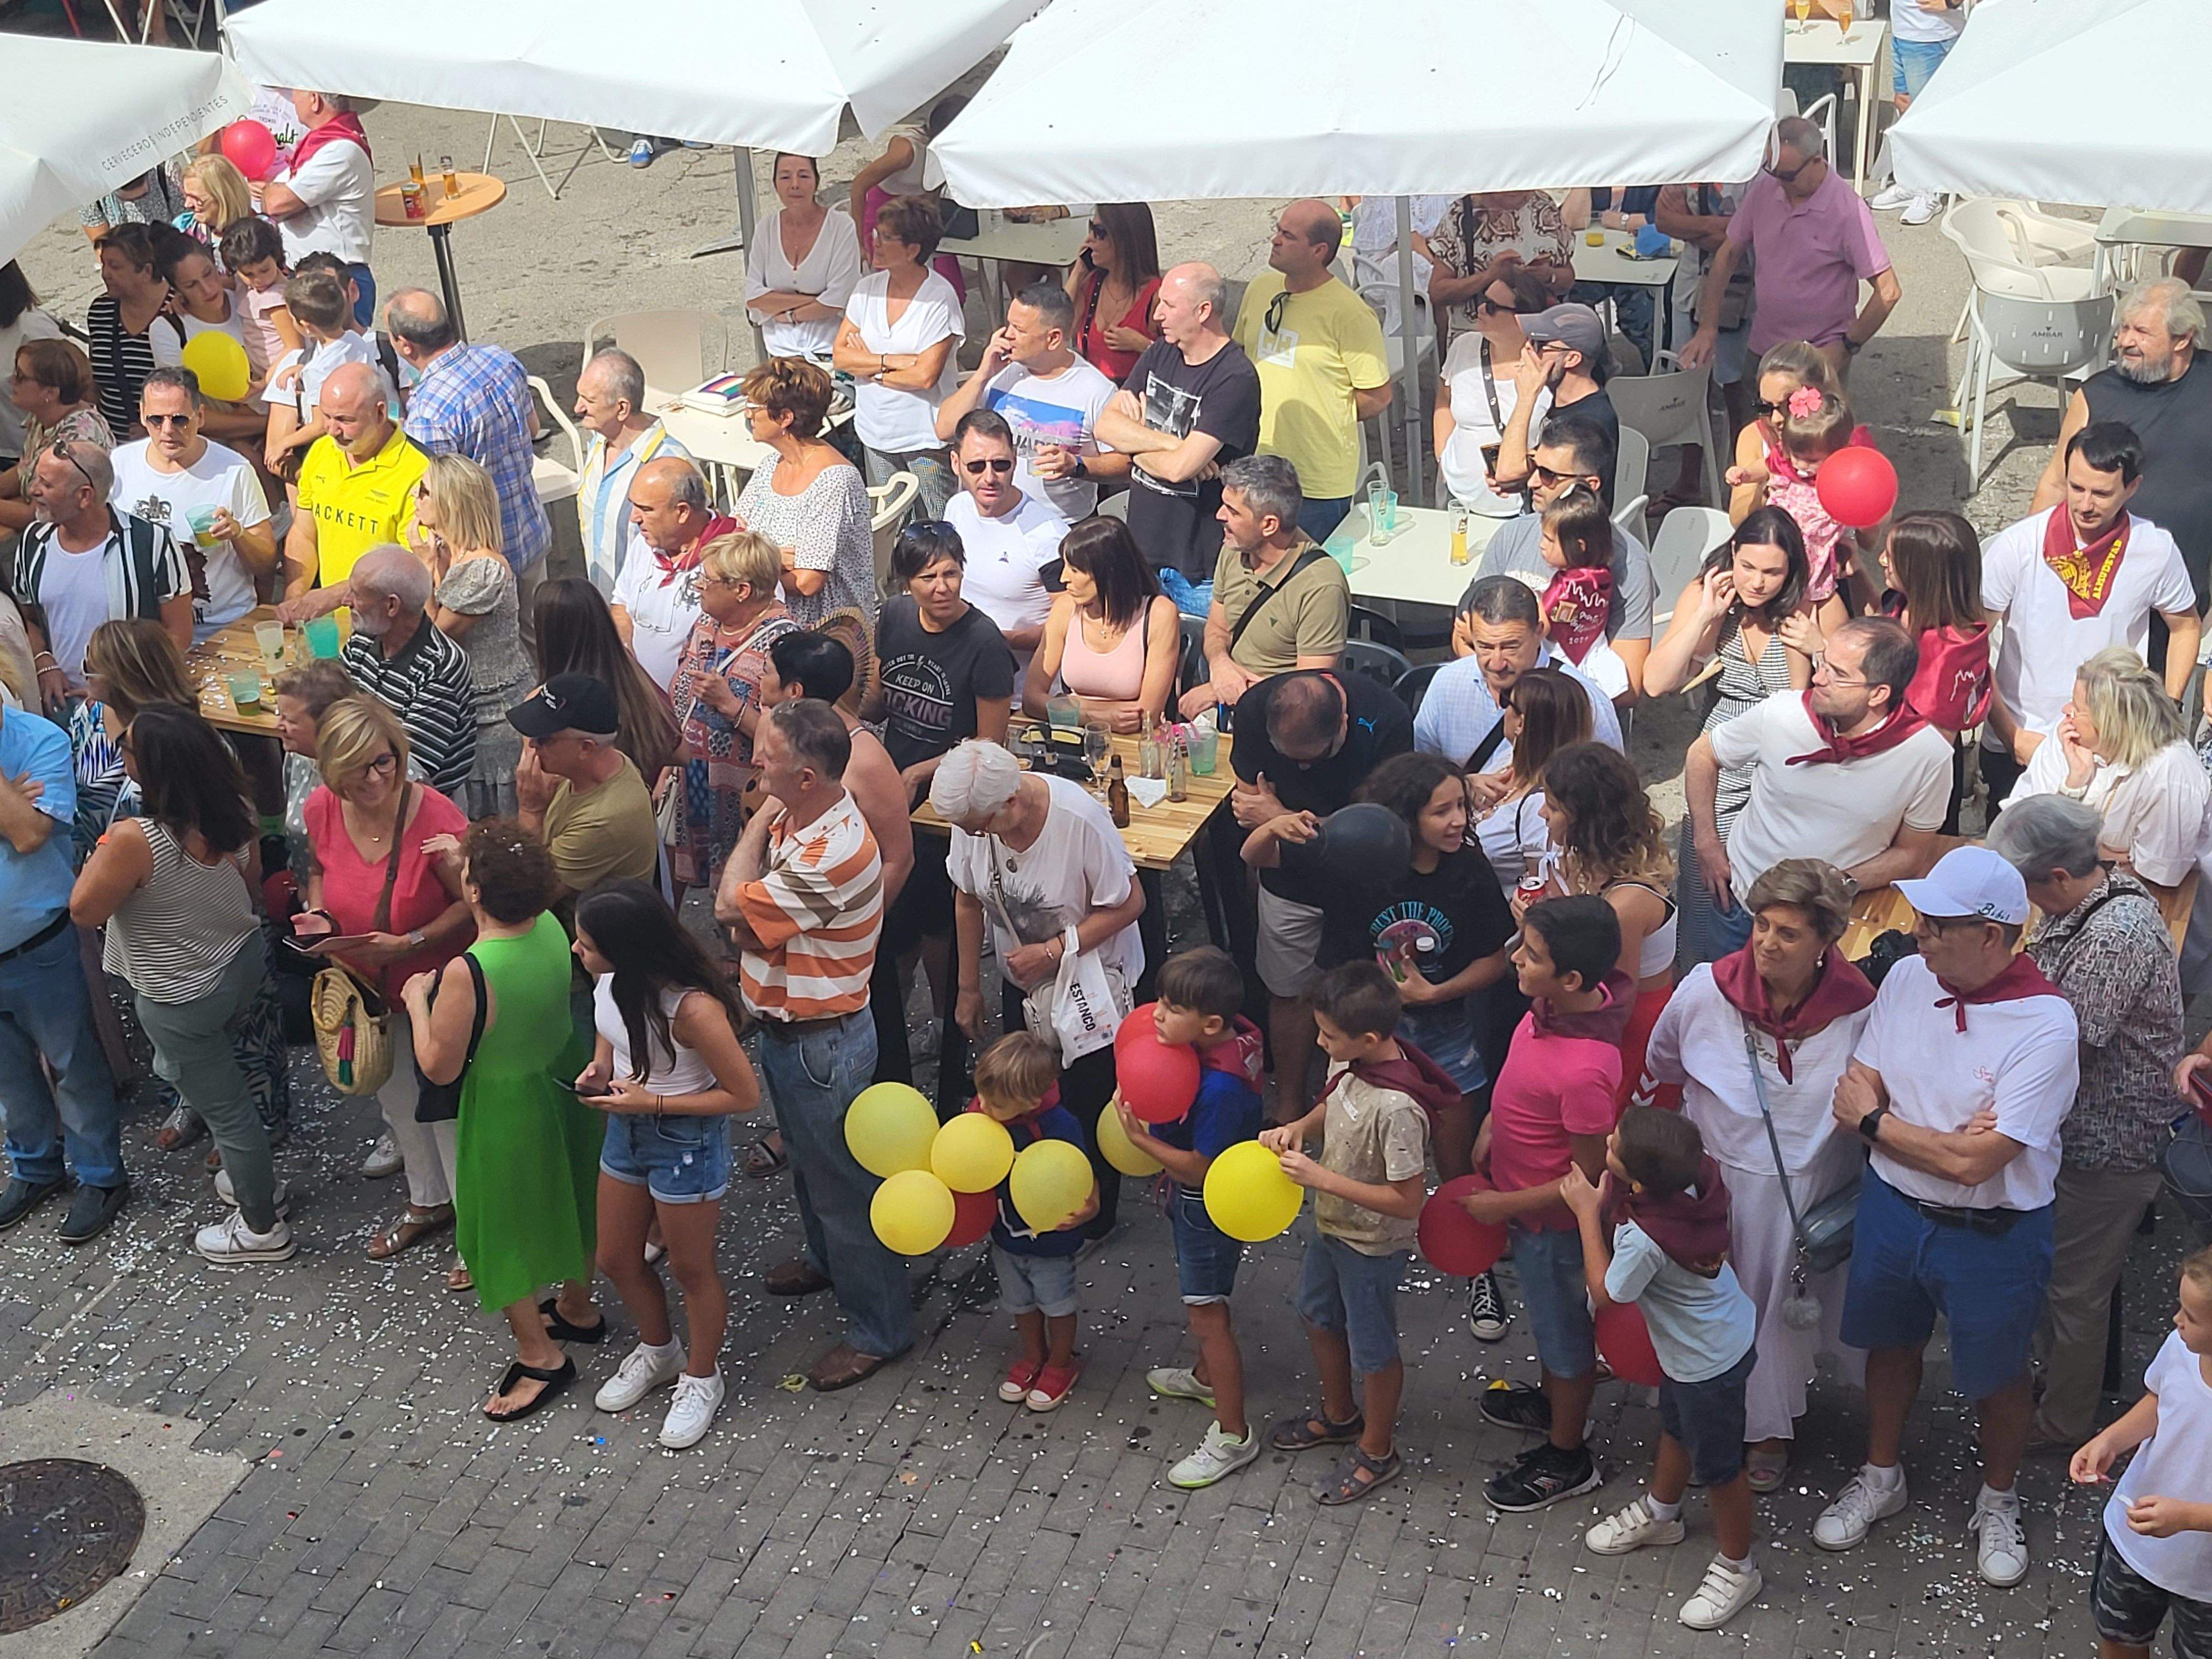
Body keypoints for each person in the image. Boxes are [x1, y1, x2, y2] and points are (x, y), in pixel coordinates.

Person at [1818, 846, 2079, 1588]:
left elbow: (1976, 1164)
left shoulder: (2047, 1026)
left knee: (1999, 1376)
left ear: (1992, 935)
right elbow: (1861, 1077)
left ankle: (1999, 1499)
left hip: (1993, 1233)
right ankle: (1881, 1473)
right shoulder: (1905, 977)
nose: (1918, 935)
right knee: (1889, 1349)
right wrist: (1929, 1135)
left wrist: (1878, 1128)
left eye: (1936, 925)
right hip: (1895, 1210)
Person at [1637, 858, 1873, 1492]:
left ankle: (1768, 1429)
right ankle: (1696, 1429)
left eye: (1788, 933)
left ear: (1826, 943)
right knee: (1709, 1307)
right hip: (1714, 1185)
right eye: (1761, 925)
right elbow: (1662, 1063)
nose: (1767, 942)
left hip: (1807, 1189)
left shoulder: (1860, 1012)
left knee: (1775, 1311)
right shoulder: (1703, 991)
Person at [717, 698, 907, 1390]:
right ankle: (828, 1264)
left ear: (806, 780)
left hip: (819, 1046)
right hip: (795, 1032)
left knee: (845, 1192)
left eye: (768, 757)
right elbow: (745, 924)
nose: (755, 761)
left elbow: (728, 908)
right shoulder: (805, 815)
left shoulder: (829, 848)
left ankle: (879, 1330)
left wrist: (758, 829)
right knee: (811, 1171)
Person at [1988, 795, 2186, 1452]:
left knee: (2073, 1291)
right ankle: (2061, 1389)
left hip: (2108, 1146)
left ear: (2059, 879)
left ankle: (2063, 1422)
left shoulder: (2113, 936)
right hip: (2081, 1135)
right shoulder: (2096, 901)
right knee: (2061, 1281)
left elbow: (2066, 1042)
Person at [70, 703, 287, 1262]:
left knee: (229, 1112)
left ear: (155, 768)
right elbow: (251, 880)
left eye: (128, 749)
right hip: (238, 961)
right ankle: (255, 1180)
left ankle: (261, 1228)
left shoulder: (135, 840)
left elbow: (84, 910)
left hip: (181, 995)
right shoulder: (233, 805)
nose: (120, 753)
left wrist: (102, 854)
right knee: (230, 1085)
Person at [404, 818, 603, 1420]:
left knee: (498, 1227)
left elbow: (439, 1066)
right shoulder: (549, 926)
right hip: (560, 1074)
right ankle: (577, 1306)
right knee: (573, 1192)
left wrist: (418, 1001)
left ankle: (540, 1354)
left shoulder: (470, 970)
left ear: (474, 893)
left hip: (505, 1101)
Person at [1246, 751, 1512, 1175]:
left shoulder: (1469, 872)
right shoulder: (1358, 855)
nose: (1459, 820)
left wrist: (1436, 992)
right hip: (1359, 1029)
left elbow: (1495, 960)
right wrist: (1275, 827)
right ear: (1407, 817)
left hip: (1444, 1029)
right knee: (1358, 1150)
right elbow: (1256, 857)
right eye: (1441, 811)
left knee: (1455, 1160)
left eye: (1461, 805)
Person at [574, 880, 760, 1448]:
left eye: (585, 942)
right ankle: (659, 1352)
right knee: (614, 1256)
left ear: (625, 949)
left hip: (685, 1141)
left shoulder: (693, 1009)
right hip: (627, 1128)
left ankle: (703, 1378)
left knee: (691, 1270)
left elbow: (742, 1096)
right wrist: (599, 1070)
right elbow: (612, 1037)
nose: (576, 951)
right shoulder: (607, 981)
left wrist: (652, 1101)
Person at [1564, 1108, 1762, 1629]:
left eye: (1614, 1147)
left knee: (1722, 1469)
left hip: (1707, 1363)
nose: (1606, 1140)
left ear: (1637, 1179)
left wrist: (1587, 1213)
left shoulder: (1645, 1240)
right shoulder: (1700, 1183)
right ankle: (1662, 1513)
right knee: (1676, 1426)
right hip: (1705, 1346)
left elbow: (1607, 1294)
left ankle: (1739, 1567)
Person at [937, 738, 1145, 1227]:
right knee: (1030, 1095)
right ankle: (1040, 1200)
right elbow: (967, 898)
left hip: (1090, 989)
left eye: (979, 826)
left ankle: (1094, 1213)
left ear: (1010, 801)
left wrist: (1052, 950)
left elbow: (1130, 903)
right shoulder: (975, 817)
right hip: (1028, 987)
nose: (972, 835)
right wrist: (969, 986)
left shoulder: (1079, 820)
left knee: (1087, 1103)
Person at [1464, 895, 1628, 1510]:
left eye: (1531, 956)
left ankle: (1568, 1452)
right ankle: (1558, 1400)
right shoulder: (1546, 1009)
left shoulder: (1586, 1069)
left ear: (1573, 980)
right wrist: (1490, 1129)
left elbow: (1585, 1179)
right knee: (1550, 1325)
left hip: (1551, 1228)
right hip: (1522, 1209)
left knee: (1565, 1338)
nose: (1515, 960)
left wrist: (1502, 1207)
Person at [300, 697, 472, 1270]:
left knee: (447, 1108)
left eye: (385, 762)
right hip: (366, 987)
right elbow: (319, 868)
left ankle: (475, 1226)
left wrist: (412, 942)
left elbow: (472, 905)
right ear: (333, 768)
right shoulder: (324, 806)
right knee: (396, 1099)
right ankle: (427, 1202)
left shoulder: (435, 818)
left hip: (436, 985)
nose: (376, 778)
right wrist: (321, 918)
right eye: (360, 767)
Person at [1261, 961, 1433, 1506]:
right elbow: (1331, 1104)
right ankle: (1339, 1416)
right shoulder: (1351, 1060)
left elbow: (1409, 1200)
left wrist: (1320, 1178)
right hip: (1331, 1226)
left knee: (1373, 1349)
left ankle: (1377, 1450)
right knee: (1317, 1314)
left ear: (1370, 1038)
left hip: (1372, 1246)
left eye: (1328, 1036)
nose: (1318, 1041)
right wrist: (1298, 1128)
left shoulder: (1399, 1108)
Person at [1686, 617, 1951, 956]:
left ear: (1879, 694)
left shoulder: (1928, 755)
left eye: (1838, 674)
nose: (1818, 677)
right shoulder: (1783, 714)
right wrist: (1706, 842)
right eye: (1823, 662)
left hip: (1829, 927)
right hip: (1739, 906)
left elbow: (1912, 854)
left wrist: (1842, 885)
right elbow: (1702, 754)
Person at [1230, 667, 1415, 1124]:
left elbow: (1379, 831)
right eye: (1290, 761)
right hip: (1289, 879)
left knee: (1354, 1000)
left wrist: (1280, 814)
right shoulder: (1255, 708)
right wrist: (1280, 823)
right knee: (1287, 991)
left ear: (1346, 723)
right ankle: (1290, 1099)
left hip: (1364, 883)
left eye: (1316, 758)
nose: (1303, 769)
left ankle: (1347, 1108)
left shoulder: (1387, 719)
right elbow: (1248, 808)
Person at [1983, 422, 2200, 805]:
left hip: (2114, 745)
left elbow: (2185, 627)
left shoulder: (2155, 549)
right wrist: (2010, 734)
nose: (2085, 505)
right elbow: (1970, 643)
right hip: (2023, 740)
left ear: (2132, 488)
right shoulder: (2018, 546)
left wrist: (2167, 711)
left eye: (2101, 494)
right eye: (2076, 487)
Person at [870, 523, 1015, 1084]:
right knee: (894, 922)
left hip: (950, 806)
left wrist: (922, 772)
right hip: (894, 797)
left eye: (951, 572)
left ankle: (945, 1022)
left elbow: (991, 742)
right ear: (907, 582)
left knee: (939, 922)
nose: (942, 587)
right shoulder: (895, 618)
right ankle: (890, 1030)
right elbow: (882, 699)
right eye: (928, 577)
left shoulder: (983, 642)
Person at [1121, 947, 1267, 1488]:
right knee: (1208, 1301)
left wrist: (1140, 1140)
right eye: (1159, 1000)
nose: (1156, 1014)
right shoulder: (1230, 1042)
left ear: (1208, 1025)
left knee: (1207, 1316)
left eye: (1171, 1007)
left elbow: (1202, 1170)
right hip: (1202, 1202)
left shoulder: (1220, 1089)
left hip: (1204, 1205)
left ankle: (1232, 1435)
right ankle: (1207, 1377)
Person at [1647, 509, 1813, 963]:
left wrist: (1819, 649)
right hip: (1718, 766)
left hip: (1784, 773)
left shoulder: (1809, 607)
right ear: (1734, 554)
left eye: (1773, 572)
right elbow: (1657, 682)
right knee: (1706, 902)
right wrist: (1705, 617)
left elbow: (1823, 701)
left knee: (1775, 911)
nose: (1758, 583)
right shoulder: (1712, 592)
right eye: (1749, 567)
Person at [0, 697, 128, 1244]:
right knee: (9, 1077)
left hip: (37, 941)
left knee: (73, 1063)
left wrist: (17, 817)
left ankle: (101, 1177)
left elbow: (31, 836)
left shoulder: (40, 741)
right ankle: (35, 1169)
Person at [2034, 279, 2212, 613]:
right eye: (2124, 329)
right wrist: (2030, 563)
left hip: (2185, 587)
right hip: (2102, 585)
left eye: (2142, 332)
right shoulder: (2097, 396)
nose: (2126, 341)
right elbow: (2057, 482)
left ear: (2183, 338)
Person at [2069, 1248, 2212, 1659]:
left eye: (2191, 1315)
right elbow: (2159, 1399)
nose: (2176, 1320)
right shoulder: (2180, 1349)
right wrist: (2111, 1440)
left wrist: (2187, 1518)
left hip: (2205, 1579)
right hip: (2136, 1544)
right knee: (2120, 1637)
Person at [1681, 119, 1902, 383]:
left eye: (1787, 176)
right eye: (1772, 172)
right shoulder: (1766, 189)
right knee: (1757, 419)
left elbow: (1888, 291)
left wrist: (1846, 347)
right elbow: (1728, 255)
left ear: (1817, 161)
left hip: (1817, 356)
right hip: (1765, 349)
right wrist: (1708, 327)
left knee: (1811, 425)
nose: (1779, 183)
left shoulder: (1847, 212)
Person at [388, 290, 551, 634]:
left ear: (405, 346)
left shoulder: (429, 412)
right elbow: (534, 428)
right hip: (530, 532)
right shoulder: (500, 359)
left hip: (481, 566)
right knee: (544, 645)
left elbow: (440, 504)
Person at [1230, 200, 1391, 542]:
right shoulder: (1261, 288)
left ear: (1319, 251)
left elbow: (1377, 396)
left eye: (1288, 236)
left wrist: (1326, 411)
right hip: (1257, 464)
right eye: (1278, 230)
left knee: (1311, 578)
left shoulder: (1350, 314)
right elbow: (1241, 356)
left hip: (1316, 479)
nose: (1275, 240)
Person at [1469, 412, 1655, 698]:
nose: (1532, 482)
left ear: (1589, 485)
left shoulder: (1629, 562)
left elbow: (1628, 688)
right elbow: (1465, 636)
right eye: (1534, 467)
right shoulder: (1512, 535)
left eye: (1549, 475)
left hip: (1574, 717)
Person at [2004, 648, 2211, 904]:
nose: (2065, 710)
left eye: (2077, 708)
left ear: (2110, 721)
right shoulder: (2066, 739)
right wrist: (2073, 787)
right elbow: (2014, 833)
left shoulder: (2170, 773)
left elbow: (2158, 877)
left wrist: (2064, 853)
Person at [1095, 263, 1264, 579]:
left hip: (1197, 567)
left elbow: (1178, 470)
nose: (1157, 315)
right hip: (1141, 554)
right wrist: (1172, 443)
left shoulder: (1235, 379)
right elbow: (1105, 426)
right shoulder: (1162, 351)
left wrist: (1135, 442)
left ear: (1203, 311)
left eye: (1169, 305)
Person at [1536, 744, 1676, 1101]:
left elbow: (1614, 1000)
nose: (1541, 813)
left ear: (1585, 819)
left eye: (1552, 807)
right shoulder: (1586, 864)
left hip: (1631, 1032)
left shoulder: (1626, 905)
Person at [968, 1032, 1099, 1413]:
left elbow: (1081, 1172)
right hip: (1006, 1234)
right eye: (984, 1097)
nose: (985, 1107)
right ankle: (1032, 1357)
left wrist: (1091, 1207)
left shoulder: (1062, 1125)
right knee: (1019, 1303)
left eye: (997, 1103)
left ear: (1031, 1101)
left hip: (1051, 1239)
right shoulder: (986, 1116)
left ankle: (1060, 1364)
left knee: (1057, 1304)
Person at [9, 439, 191, 702]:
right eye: (36, 479)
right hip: (58, 702)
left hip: (131, 704)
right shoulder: (33, 541)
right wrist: (45, 663)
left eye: (46, 484)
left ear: (85, 496)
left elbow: (178, 632)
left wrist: (121, 684)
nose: (33, 490)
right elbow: (26, 619)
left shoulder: (151, 542)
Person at [665, 530, 797, 890]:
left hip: (743, 796)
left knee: (736, 892)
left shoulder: (784, 644)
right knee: (676, 876)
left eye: (707, 580)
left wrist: (729, 705)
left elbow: (791, 740)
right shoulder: (706, 623)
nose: (698, 587)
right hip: (691, 777)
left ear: (741, 590)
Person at [1176, 455, 1350, 719]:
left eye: (1233, 511)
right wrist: (1221, 665)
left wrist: (1218, 690)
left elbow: (1308, 693)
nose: (1220, 516)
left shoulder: (1320, 587)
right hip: (1230, 705)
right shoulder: (1235, 549)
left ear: (1269, 525)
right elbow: (1217, 628)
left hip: (1283, 721)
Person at [109, 367, 275, 643]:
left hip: (219, 628)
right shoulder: (119, 465)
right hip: (146, 631)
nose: (167, 431)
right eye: (155, 419)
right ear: (141, 415)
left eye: (179, 420)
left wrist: (238, 534)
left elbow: (267, 562)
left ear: (200, 416)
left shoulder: (233, 470)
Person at [937, 281, 1125, 521]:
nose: (1007, 335)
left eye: (1019, 329)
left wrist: (1076, 465)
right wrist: (983, 374)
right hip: (990, 517)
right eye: (1009, 324)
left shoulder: (1096, 391)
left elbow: (1125, 463)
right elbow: (944, 430)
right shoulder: (1000, 371)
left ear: (1053, 339)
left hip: (1059, 525)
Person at [410, 455, 528, 818]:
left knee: (494, 823)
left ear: (451, 502)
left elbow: (435, 639)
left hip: (496, 720)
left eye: (425, 491)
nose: (416, 497)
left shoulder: (484, 569)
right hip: (464, 713)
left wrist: (426, 567)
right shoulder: (451, 556)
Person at [834, 196, 964, 520]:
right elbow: (841, 356)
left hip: (923, 436)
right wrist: (895, 361)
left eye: (886, 238)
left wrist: (871, 369)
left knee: (938, 523)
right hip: (875, 432)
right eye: (876, 234)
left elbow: (924, 377)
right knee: (893, 526)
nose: (874, 243)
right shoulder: (866, 289)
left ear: (912, 249)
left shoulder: (939, 298)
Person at [1413, 576, 1623, 774]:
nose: (1496, 663)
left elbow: (1610, 789)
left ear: (1539, 632)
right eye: (1485, 647)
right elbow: (1423, 771)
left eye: (1511, 647)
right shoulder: (1446, 684)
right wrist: (1466, 787)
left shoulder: (1586, 701)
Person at [728, 357, 873, 629]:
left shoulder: (833, 482)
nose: (747, 414)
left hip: (820, 637)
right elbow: (731, 536)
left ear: (785, 417)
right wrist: (773, 558)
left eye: (753, 407)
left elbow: (807, 581)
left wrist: (749, 578)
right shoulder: (770, 466)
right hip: (769, 620)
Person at [277, 363, 429, 610]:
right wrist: (295, 597)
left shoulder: (418, 471)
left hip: (386, 628)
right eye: (326, 417)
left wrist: (333, 597)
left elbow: (411, 565)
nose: (332, 430)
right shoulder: (321, 452)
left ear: (380, 413)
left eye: (345, 420)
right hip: (329, 626)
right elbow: (305, 533)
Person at [1876, 509, 1991, 832]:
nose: (1882, 560)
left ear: (1922, 572)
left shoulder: (1954, 650)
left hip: (1917, 778)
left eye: (1893, 557)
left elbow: (1936, 743)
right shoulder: (1899, 602)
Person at [507, 676, 661, 913]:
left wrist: (531, 811)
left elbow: (526, 898)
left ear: (586, 747)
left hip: (584, 942)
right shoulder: (604, 764)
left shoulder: (605, 820)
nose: (533, 747)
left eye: (543, 738)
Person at [339, 545, 477, 799]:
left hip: (420, 800)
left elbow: (406, 767)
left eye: (356, 594)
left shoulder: (441, 667)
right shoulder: (364, 638)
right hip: (362, 779)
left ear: (392, 606)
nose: (345, 601)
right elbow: (335, 704)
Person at [940, 409, 1069, 673]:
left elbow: (1074, 623)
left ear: (1015, 460)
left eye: (1000, 465)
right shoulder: (957, 507)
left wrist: (998, 639)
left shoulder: (1048, 535)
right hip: (960, 673)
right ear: (955, 463)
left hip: (1022, 691)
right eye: (976, 466)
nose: (989, 478)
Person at [1024, 518, 1180, 732]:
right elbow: (1032, 699)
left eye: (1075, 570)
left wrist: (1066, 703)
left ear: (1107, 572)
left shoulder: (1159, 614)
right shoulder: (1065, 608)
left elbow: (1147, 715)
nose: (1063, 578)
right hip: (1074, 733)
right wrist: (1093, 716)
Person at [1728, 386, 1870, 619]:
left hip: (1815, 549)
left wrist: (1848, 545)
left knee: (1812, 598)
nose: (1800, 465)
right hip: (1780, 540)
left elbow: (1858, 510)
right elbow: (1767, 465)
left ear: (1837, 453)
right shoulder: (1788, 461)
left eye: (1811, 460)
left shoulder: (1838, 477)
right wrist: (1745, 474)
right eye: (1795, 456)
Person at [1654, 182, 1760, 483]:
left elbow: (1745, 234)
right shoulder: (1691, 161)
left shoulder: (1754, 171)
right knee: (1690, 384)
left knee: (1741, 389)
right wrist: (1725, 227)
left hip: (1742, 290)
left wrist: (1692, 226)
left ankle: (1748, 482)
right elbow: (1664, 221)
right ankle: (1688, 482)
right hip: (1690, 285)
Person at [531, 578, 682, 789]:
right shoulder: (629, 674)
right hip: (637, 807)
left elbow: (539, 784)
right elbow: (681, 753)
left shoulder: (549, 701)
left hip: (583, 814)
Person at [1434, 265, 1556, 515]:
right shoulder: (1463, 346)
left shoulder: (1548, 368)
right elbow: (1444, 400)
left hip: (1521, 507)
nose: (1479, 309)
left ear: (1521, 320)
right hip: (1457, 497)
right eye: (1481, 300)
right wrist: (1442, 458)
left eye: (1491, 306)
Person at [1468, 667, 1593, 903]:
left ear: (1521, 723)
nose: (1503, 709)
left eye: (1509, 703)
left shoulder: (1544, 805)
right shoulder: (1508, 757)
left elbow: (1543, 896)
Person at [573, 349, 690, 598]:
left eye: (589, 401)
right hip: (605, 604)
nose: (578, 408)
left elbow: (694, 545)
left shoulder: (670, 462)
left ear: (622, 409)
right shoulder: (598, 443)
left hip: (648, 612)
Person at [255, 90, 375, 324]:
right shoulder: (320, 145)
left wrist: (274, 191)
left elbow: (275, 203)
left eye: (296, 94)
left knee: (346, 357)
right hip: (312, 277)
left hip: (336, 279)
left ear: (314, 99)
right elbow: (278, 194)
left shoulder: (340, 149)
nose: (292, 100)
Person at [612, 456, 730, 692]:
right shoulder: (644, 544)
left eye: (646, 509)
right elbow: (621, 604)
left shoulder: (733, 560)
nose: (634, 518)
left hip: (697, 713)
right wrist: (626, 651)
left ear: (683, 512)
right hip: (639, 701)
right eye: (633, 506)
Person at [744, 153, 864, 363]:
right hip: (779, 357)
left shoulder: (841, 227)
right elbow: (754, 298)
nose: (795, 185)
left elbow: (840, 299)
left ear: (816, 182)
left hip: (828, 355)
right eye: (785, 177)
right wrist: (817, 300)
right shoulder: (766, 228)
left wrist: (788, 314)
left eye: (804, 176)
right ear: (775, 184)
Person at [1494, 304, 1619, 494]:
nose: (1527, 351)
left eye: (1540, 345)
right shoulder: (1565, 403)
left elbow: (1507, 473)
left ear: (1572, 359)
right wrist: (1519, 480)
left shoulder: (1590, 421)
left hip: (1564, 524)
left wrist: (1527, 397)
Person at [1425, 192, 1579, 338]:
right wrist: (1488, 277)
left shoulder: (1543, 206)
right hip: (1477, 340)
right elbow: (1438, 293)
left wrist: (1548, 275)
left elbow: (1569, 277)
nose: (1515, 191)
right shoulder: (1461, 214)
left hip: (1537, 338)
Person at [1867, 0, 1968, 225]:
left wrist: (1951, 2)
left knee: (1926, 120)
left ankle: (1930, 190)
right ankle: (1910, 183)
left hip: (1932, 37)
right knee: (1906, 109)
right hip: (1904, 33)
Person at [0, 339, 110, 535]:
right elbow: (24, 470)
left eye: (21, 376)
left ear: (50, 392)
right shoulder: (44, 416)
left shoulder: (76, 440)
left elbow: (37, 515)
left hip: (72, 538)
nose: (12, 381)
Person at [1532, 485, 1630, 701]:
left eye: (1549, 540)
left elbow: (1538, 630)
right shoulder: (1599, 575)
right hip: (1593, 652)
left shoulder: (1567, 587)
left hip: (1561, 664)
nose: (1541, 545)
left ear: (1579, 546)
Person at [85, 225, 178, 439]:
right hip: (114, 446)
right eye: (104, 265)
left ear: (146, 271)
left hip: (169, 442)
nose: (106, 274)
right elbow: (98, 381)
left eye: (116, 267)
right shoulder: (101, 311)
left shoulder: (179, 308)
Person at [271, 658, 355, 885]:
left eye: (289, 720)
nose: (278, 726)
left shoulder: (374, 775)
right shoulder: (297, 755)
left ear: (328, 724)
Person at [1066, 204, 1162, 384]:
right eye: (1091, 228)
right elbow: (1058, 328)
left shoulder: (1156, 296)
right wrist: (1077, 274)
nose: (1089, 239)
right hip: (1091, 392)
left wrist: (1142, 345)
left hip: (1132, 399)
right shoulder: (1090, 284)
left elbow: (1182, 359)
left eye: (1099, 232)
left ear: (1125, 239)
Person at [219, 218, 303, 403]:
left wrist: (264, 382)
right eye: (248, 274)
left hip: (284, 378)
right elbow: (219, 285)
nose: (258, 280)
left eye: (265, 270)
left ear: (277, 257)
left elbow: (294, 347)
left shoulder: (277, 299)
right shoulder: (243, 283)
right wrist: (182, 298)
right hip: (263, 373)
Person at [79, 165, 187, 246]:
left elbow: (184, 227)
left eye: (144, 195)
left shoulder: (166, 171)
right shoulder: (89, 190)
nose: (136, 204)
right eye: (127, 201)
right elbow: (102, 246)